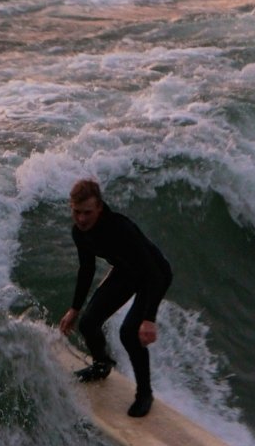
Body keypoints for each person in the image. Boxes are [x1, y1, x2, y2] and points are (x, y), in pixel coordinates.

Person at [58, 179, 173, 418]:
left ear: (99, 208)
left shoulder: (121, 228)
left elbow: (153, 272)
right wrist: (75, 308)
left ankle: (145, 394)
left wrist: (149, 319)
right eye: (76, 212)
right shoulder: (80, 233)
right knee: (88, 323)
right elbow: (86, 269)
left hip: (154, 275)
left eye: (87, 212)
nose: (81, 219)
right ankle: (102, 365)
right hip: (125, 272)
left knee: (129, 333)